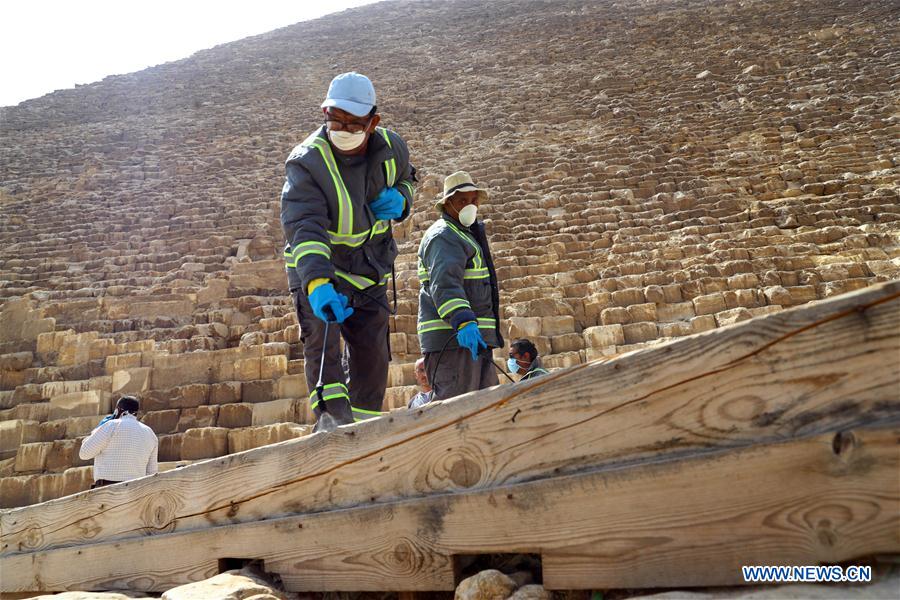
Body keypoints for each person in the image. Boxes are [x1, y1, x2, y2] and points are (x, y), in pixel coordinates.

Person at [281, 72, 416, 430]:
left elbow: (407, 177)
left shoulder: (392, 148)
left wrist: (402, 199)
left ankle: (366, 431)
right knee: (322, 345)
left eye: (354, 122)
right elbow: (304, 225)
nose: (343, 127)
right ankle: (332, 427)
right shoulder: (306, 162)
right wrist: (317, 283)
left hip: (369, 267)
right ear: (324, 111)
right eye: (335, 119)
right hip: (321, 268)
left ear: (374, 122)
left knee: (372, 357)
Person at [417, 171, 503, 401]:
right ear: (448, 204)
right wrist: (463, 320)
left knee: (486, 411)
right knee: (460, 415)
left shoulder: (462, 234)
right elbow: (444, 283)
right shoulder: (445, 235)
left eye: (473, 200)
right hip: (453, 340)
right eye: (462, 200)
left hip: (472, 340)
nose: (470, 205)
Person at [79, 395, 158, 488]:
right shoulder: (150, 433)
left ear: (118, 410)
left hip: (107, 490)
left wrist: (97, 430)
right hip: (135, 491)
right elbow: (151, 473)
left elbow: (84, 453)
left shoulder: (111, 425)